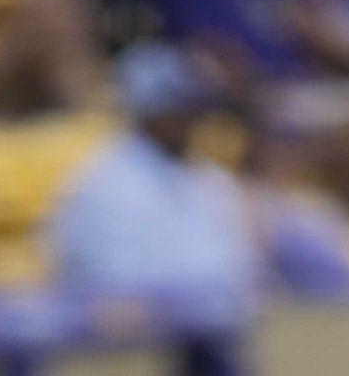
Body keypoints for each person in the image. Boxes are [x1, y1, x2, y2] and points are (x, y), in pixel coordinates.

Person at [49, 44, 262, 305]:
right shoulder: (103, 182)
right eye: (177, 108)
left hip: (217, 328)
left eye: (193, 108)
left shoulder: (211, 179)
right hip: (136, 337)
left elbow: (241, 274)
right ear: (147, 110)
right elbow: (116, 288)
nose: (190, 119)